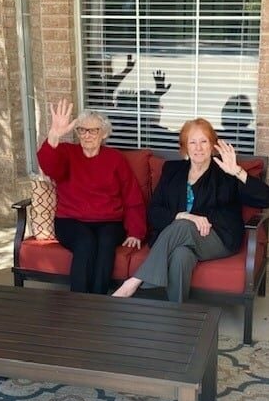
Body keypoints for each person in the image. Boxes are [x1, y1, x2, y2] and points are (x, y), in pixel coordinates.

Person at [112, 118, 269, 302]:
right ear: (185, 147)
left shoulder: (225, 173)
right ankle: (176, 316)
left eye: (204, 141)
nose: (198, 148)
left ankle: (134, 281)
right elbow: (154, 211)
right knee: (181, 256)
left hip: (217, 238)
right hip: (177, 240)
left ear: (212, 146)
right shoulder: (173, 170)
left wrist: (237, 171)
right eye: (192, 142)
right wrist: (185, 215)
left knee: (184, 226)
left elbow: (265, 198)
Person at [37, 99, 146, 294]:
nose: (87, 135)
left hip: (109, 221)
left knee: (105, 244)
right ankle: (79, 302)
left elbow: (132, 196)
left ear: (103, 133)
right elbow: (49, 166)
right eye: (82, 130)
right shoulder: (66, 153)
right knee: (85, 242)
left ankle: (98, 302)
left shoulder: (115, 159)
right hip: (70, 220)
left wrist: (135, 231)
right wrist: (54, 134)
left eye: (93, 130)